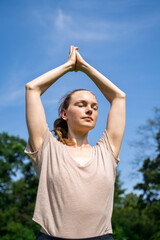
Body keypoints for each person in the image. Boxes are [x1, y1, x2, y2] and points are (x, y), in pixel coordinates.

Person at [25, 46, 126, 240]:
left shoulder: (107, 150)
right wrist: (69, 66)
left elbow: (118, 97)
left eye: (94, 107)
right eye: (81, 105)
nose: (89, 110)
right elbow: (32, 88)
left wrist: (85, 67)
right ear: (64, 114)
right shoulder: (47, 148)